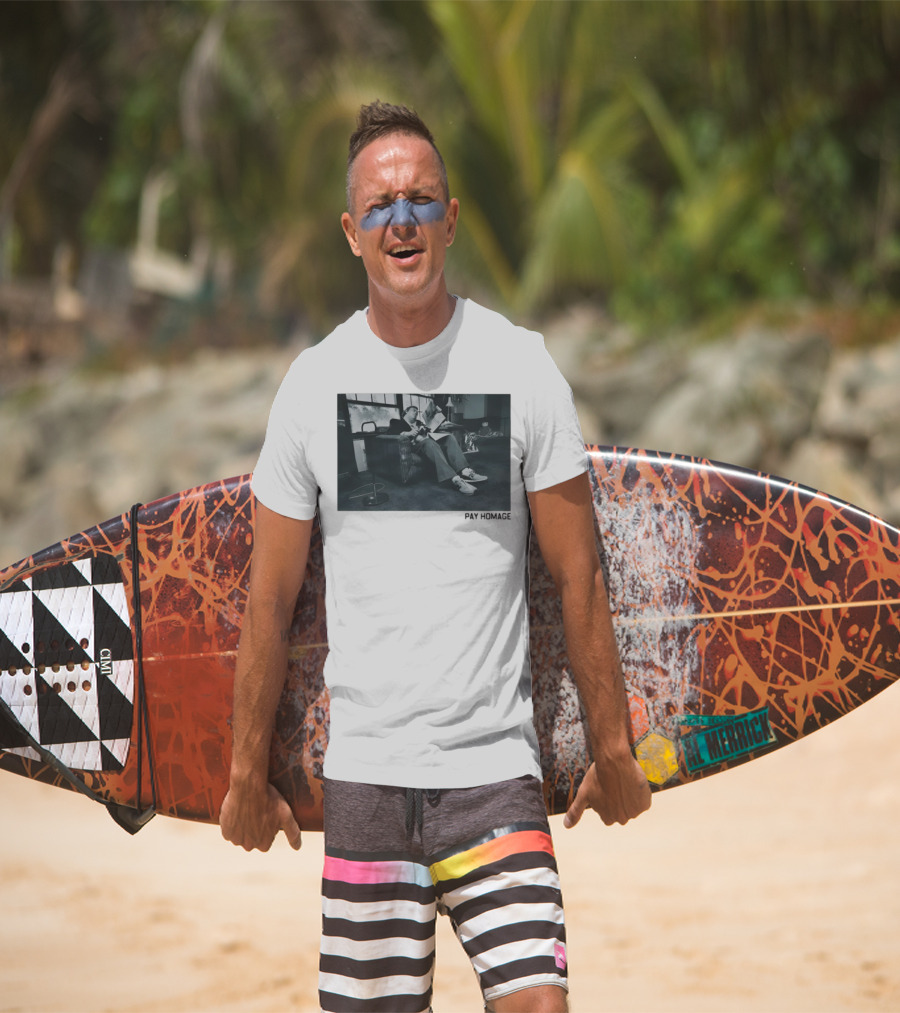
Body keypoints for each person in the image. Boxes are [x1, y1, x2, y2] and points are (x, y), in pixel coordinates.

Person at [220, 100, 651, 1013]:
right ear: (352, 233)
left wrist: (612, 745)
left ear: (450, 219)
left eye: (420, 200)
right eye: (380, 206)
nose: (402, 220)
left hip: (495, 776)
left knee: (540, 1004)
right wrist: (244, 772)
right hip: (368, 781)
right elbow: (270, 599)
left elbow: (578, 574)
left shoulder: (521, 367)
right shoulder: (314, 386)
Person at [388, 403, 487, 494]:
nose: (416, 412)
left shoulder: (419, 423)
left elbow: (430, 430)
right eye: (414, 410)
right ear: (406, 411)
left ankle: (465, 471)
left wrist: (435, 418)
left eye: (417, 411)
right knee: (428, 442)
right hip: (414, 446)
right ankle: (455, 480)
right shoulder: (397, 423)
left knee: (449, 437)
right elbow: (391, 434)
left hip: (428, 441)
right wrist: (408, 433)